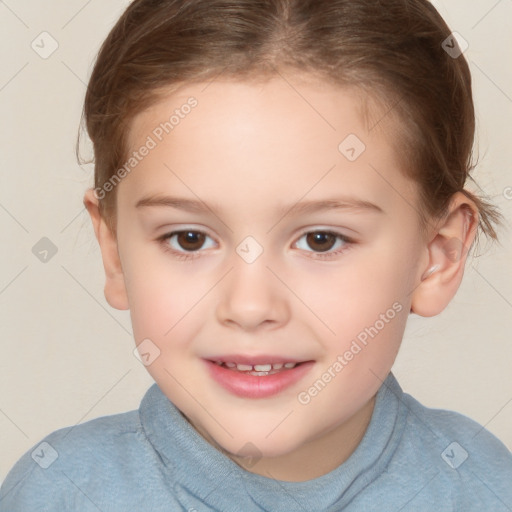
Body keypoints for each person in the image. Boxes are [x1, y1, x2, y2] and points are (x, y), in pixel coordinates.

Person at [1, 0, 511, 510]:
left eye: (321, 240)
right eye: (189, 239)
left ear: (437, 255)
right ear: (113, 250)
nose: (249, 306)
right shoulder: (59, 493)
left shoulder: (483, 486)